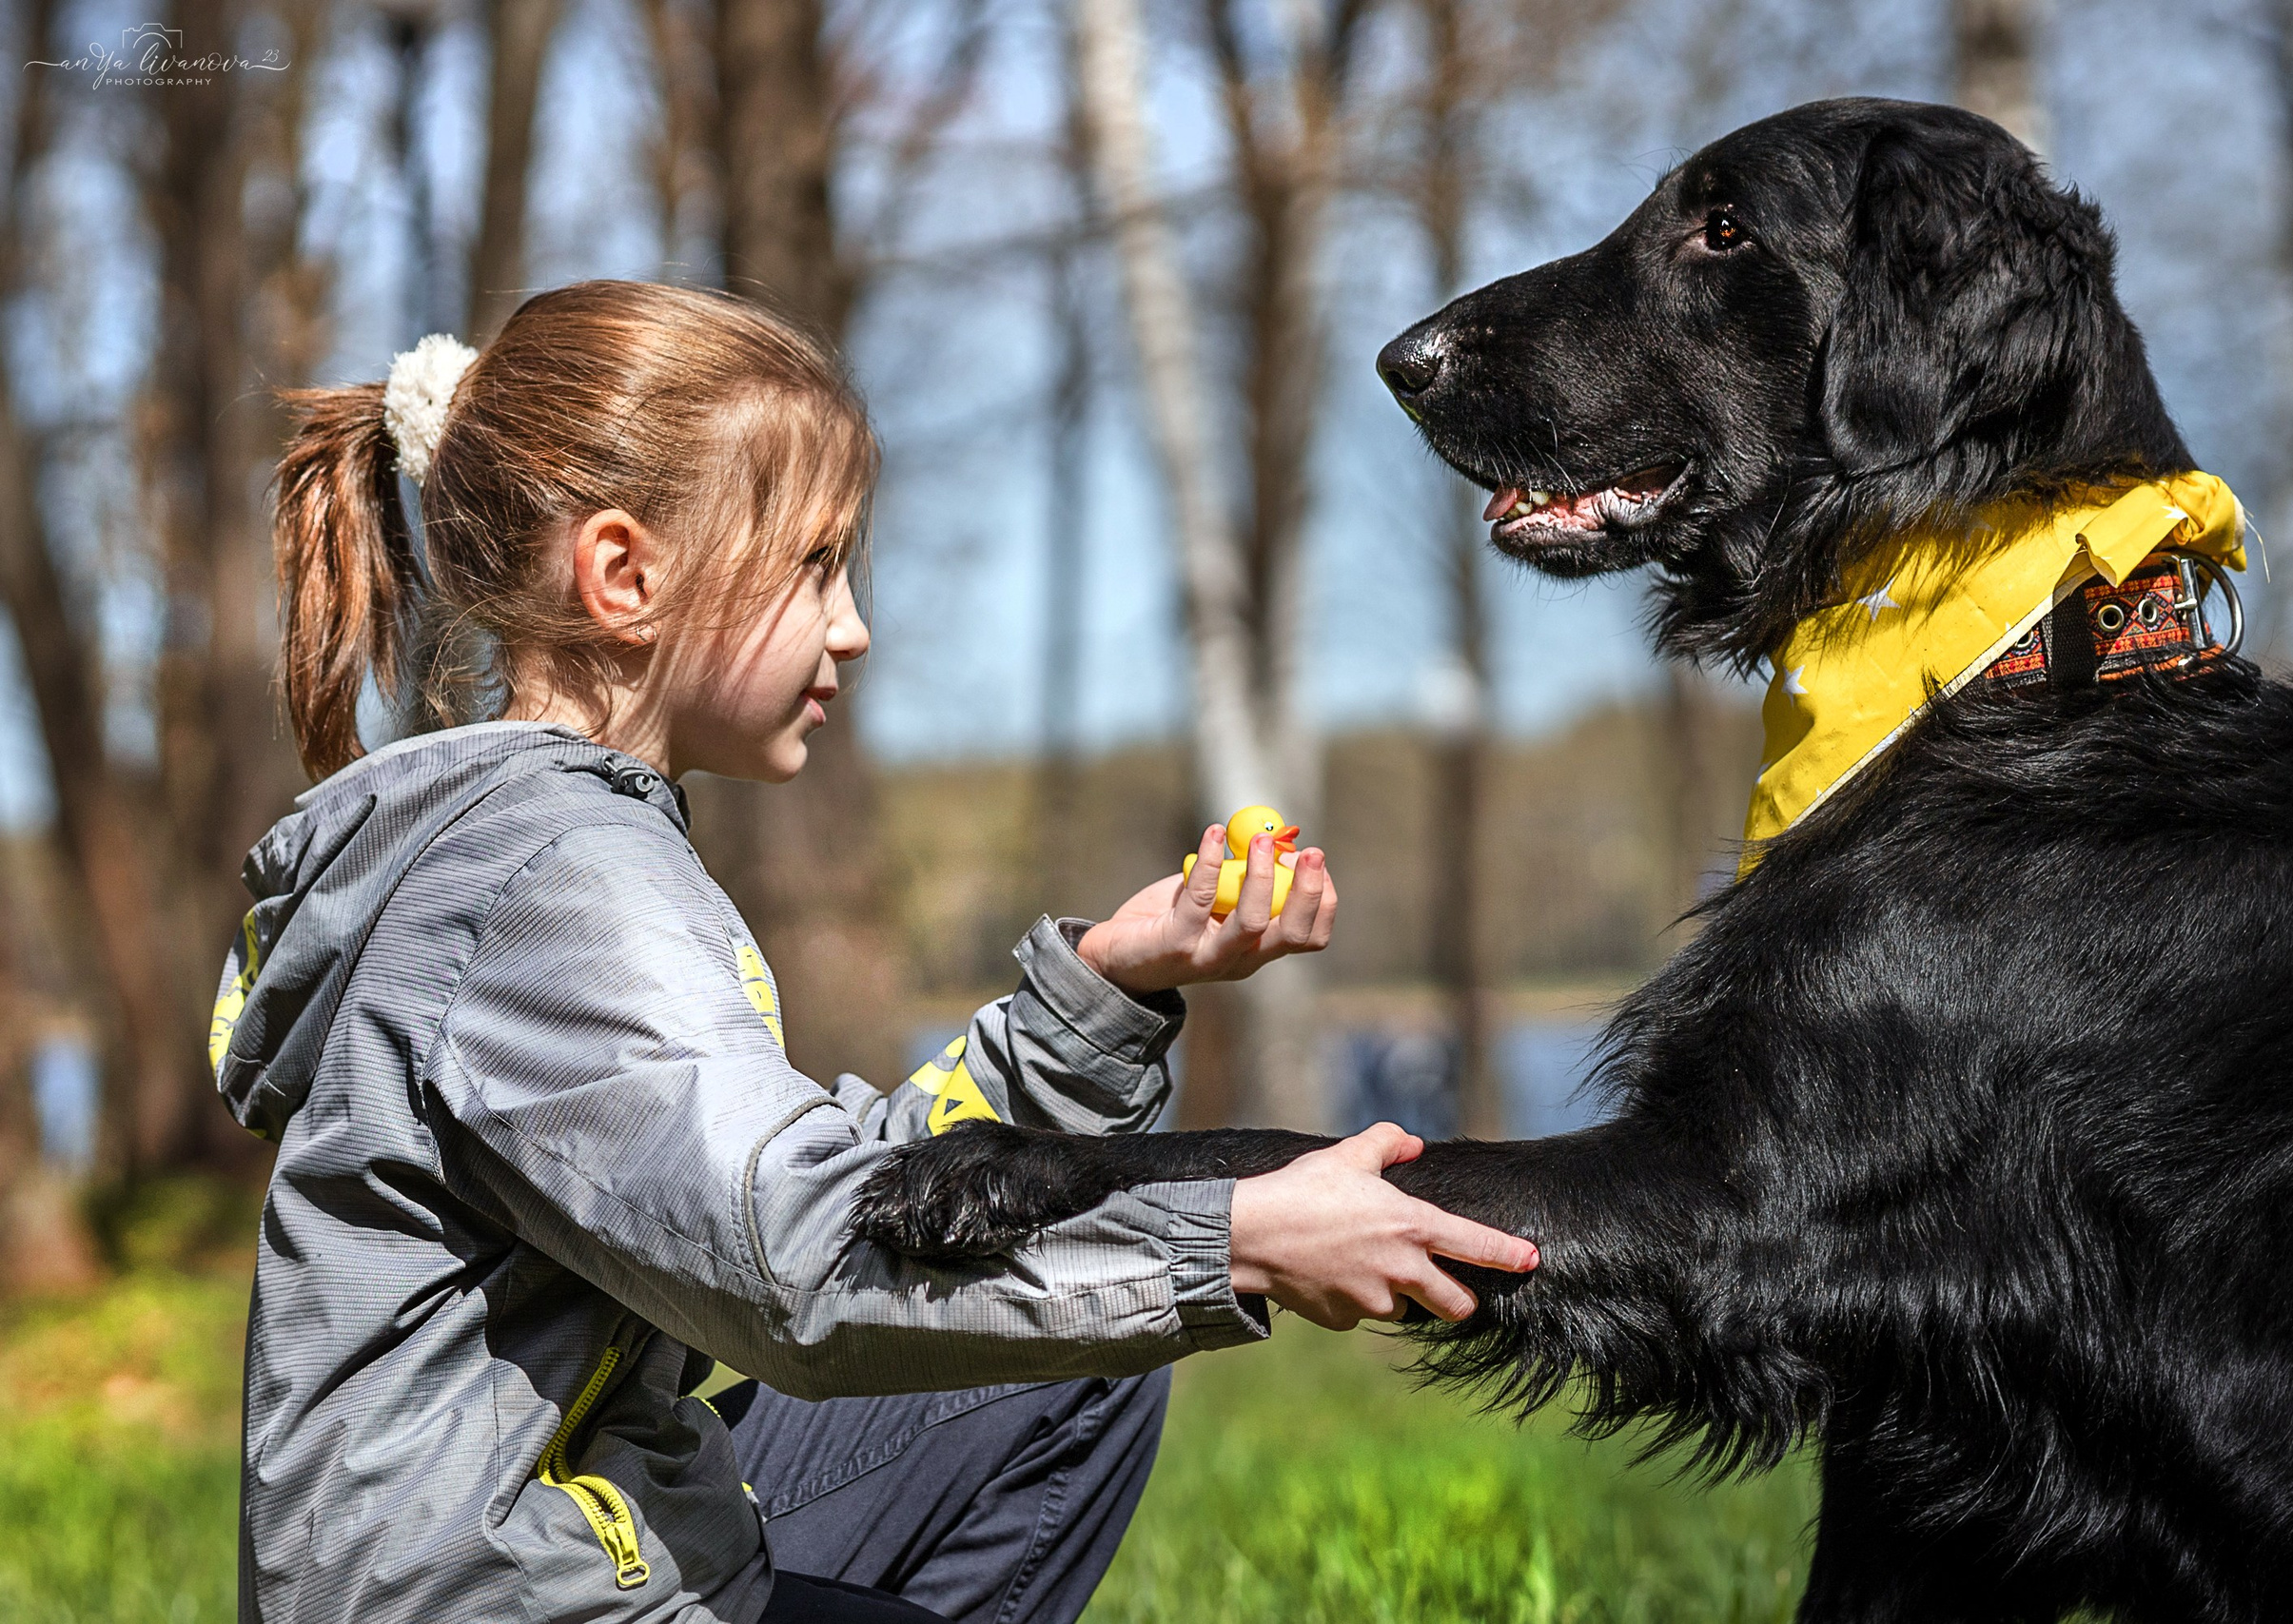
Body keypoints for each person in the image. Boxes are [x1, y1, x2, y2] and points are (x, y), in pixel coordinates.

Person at [218, 279, 1538, 1624]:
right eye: (812, 564)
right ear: (625, 575)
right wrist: (1242, 1237)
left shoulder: (543, 851)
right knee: (1071, 1316)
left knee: (1070, 1358)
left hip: (564, 1551)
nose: (852, 624)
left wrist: (1110, 987)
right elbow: (797, 1266)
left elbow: (834, 1193)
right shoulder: (556, 880)